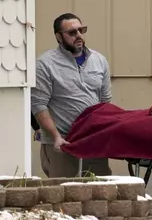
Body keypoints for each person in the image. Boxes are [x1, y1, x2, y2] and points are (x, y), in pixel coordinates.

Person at [31, 13, 113, 178]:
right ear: (58, 37)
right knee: (64, 197)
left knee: (100, 193)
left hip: (92, 142)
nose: (79, 36)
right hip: (62, 144)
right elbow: (39, 105)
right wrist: (55, 137)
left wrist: (103, 134)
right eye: (72, 32)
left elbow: (105, 102)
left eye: (81, 30)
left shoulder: (99, 60)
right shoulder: (45, 64)